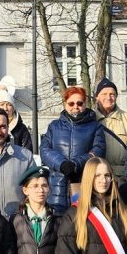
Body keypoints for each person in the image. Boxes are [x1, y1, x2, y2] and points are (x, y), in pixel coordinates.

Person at [39, 86, 106, 214]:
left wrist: (76, 164)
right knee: (57, 221)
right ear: (65, 104)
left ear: (85, 104)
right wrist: (62, 164)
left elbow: (99, 150)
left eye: (79, 103)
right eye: (71, 103)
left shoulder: (95, 126)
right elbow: (44, 150)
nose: (76, 107)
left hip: (83, 184)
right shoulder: (54, 126)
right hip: (56, 187)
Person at [94, 78, 127, 181]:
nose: (108, 97)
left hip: (123, 176)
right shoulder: (90, 119)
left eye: (112, 94)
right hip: (97, 176)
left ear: (116, 97)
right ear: (97, 97)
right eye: (104, 94)